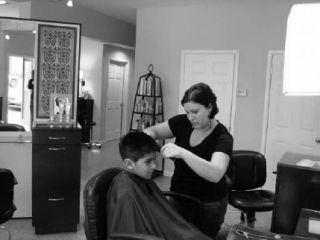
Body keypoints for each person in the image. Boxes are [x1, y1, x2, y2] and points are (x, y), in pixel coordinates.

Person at [144, 82, 233, 239]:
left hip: (209, 204)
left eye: (195, 111)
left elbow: (216, 173)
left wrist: (183, 153)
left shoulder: (223, 137)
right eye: (187, 112)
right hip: (179, 196)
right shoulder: (182, 122)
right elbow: (153, 131)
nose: (190, 117)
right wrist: (148, 135)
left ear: (210, 107)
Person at [107, 131, 210, 240]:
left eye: (154, 160)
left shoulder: (142, 179)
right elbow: (125, 234)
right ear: (129, 164)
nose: (154, 166)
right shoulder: (125, 192)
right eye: (148, 162)